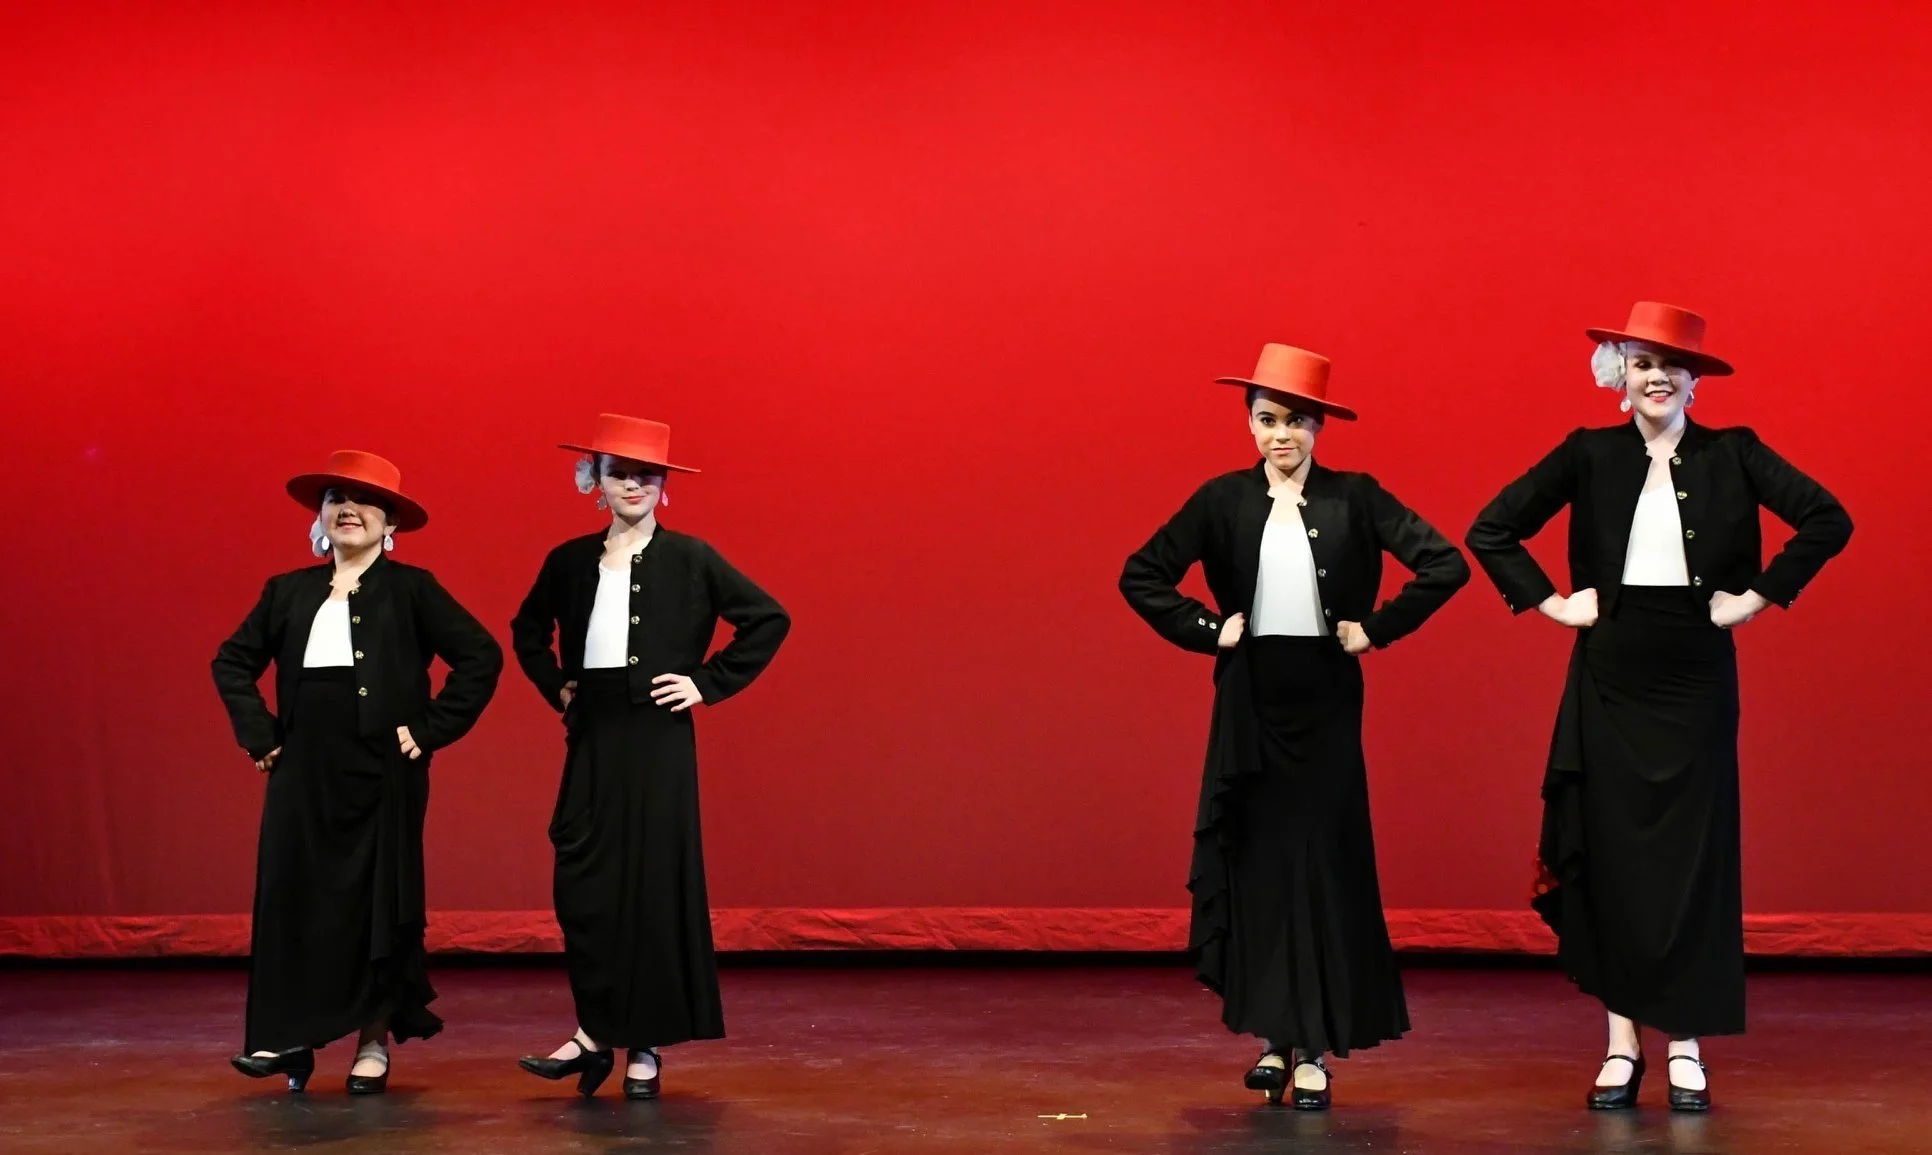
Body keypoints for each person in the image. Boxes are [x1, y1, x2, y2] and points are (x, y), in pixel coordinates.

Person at [1465, 302, 1853, 1111]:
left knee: (1691, 859)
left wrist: (1756, 597)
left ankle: (1684, 1044)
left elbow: (1828, 517)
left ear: (1693, 380)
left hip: (1696, 675)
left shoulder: (1733, 452)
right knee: (1615, 857)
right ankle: (1619, 1045)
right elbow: (1493, 528)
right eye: (1641, 363)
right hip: (1610, 674)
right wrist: (1552, 603)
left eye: (1671, 365)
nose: (1656, 377)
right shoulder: (1589, 454)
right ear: (1620, 374)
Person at [1120, 344, 1469, 1107]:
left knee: (1321, 864)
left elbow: (1445, 564)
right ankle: (1275, 1039)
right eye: (1268, 420)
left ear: (1319, 426)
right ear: (1249, 425)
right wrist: (1211, 627)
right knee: (1263, 866)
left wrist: (1374, 628)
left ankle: (1314, 1049)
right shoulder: (1221, 500)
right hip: (1250, 701)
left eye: (1297, 421)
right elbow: (1140, 572)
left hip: (1325, 702)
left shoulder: (1356, 497)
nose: (1283, 435)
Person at [512, 414, 791, 1098]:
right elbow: (526, 629)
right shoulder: (570, 560)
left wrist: (705, 681)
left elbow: (768, 617)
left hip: (659, 740)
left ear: (662, 486)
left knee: (652, 887)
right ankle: (594, 1028)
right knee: (585, 880)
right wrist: (559, 686)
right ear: (594, 482)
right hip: (596, 732)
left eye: (646, 475)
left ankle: (644, 1045)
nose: (632, 485)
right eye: (619, 473)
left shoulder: (691, 557)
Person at [213, 450, 502, 1094]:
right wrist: (260, 733)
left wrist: (427, 731)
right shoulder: (286, 590)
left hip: (381, 773)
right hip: (303, 772)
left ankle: (372, 1044)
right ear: (320, 517)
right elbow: (231, 662)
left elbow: (480, 656)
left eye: (365, 500)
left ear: (389, 520)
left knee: (377, 905)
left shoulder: (413, 590)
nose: (348, 509)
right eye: (335, 498)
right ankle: (288, 1038)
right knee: (295, 900)